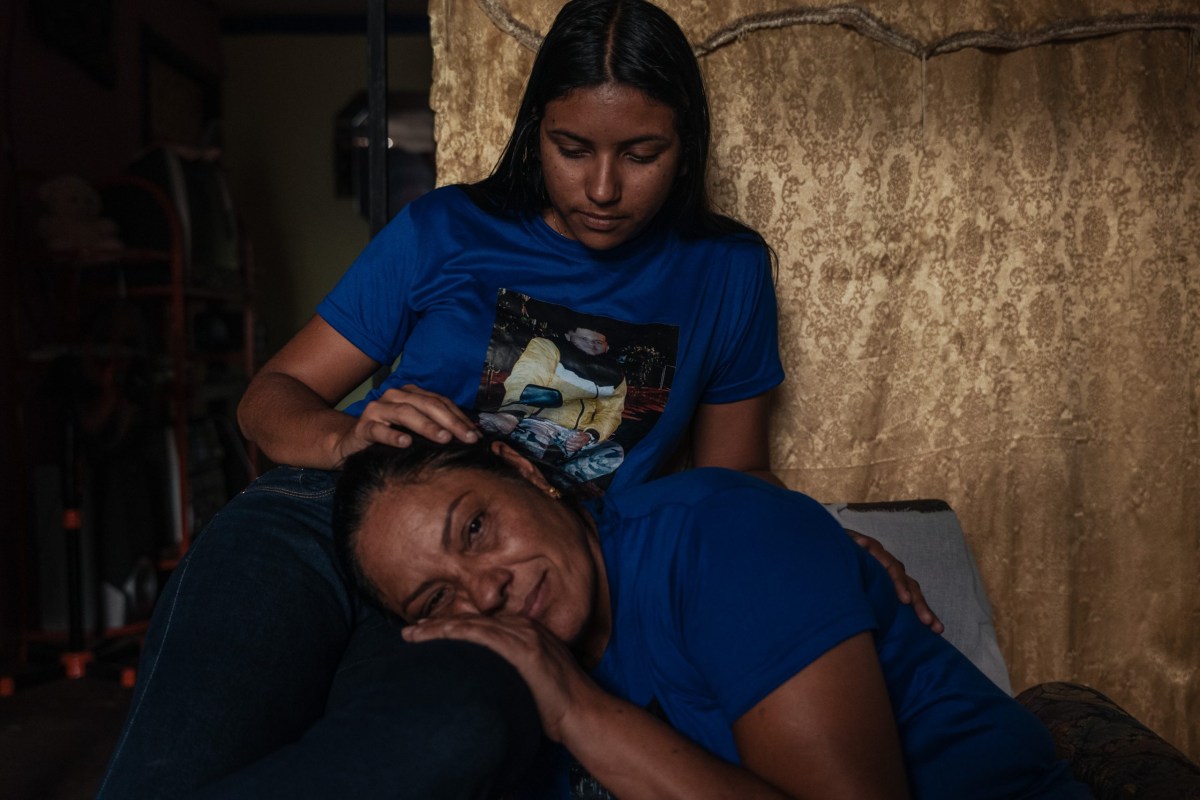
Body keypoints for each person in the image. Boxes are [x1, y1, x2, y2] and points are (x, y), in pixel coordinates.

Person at [98, 0, 935, 796]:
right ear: (538, 133)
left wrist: (821, 543)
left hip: (499, 572)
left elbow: (734, 476)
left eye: (641, 154)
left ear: (688, 147)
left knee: (452, 735)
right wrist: (343, 441)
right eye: (574, 148)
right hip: (324, 512)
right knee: (174, 761)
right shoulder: (447, 229)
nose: (603, 188)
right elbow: (267, 399)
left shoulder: (728, 270)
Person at [335, 436, 1092, 800]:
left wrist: (578, 710)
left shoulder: (720, 536)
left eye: (475, 528)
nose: (485, 589)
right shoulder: (494, 684)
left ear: (529, 472)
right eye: (438, 599)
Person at [479, 322, 628, 486]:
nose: (591, 345)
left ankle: (556, 483)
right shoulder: (548, 347)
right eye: (584, 338)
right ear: (568, 337)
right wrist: (510, 414)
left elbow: (611, 413)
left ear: (607, 347)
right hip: (540, 423)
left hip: (578, 434)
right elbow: (525, 379)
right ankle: (518, 484)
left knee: (614, 453)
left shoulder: (616, 375)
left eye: (598, 342)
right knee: (530, 440)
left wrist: (590, 435)